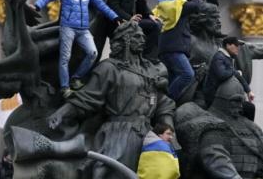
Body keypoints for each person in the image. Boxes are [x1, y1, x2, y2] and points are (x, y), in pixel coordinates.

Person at [48, 22, 176, 178]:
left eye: (143, 37)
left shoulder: (150, 69)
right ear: (125, 40)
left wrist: (167, 126)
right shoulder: (109, 68)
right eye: (136, 37)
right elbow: (88, 97)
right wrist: (62, 113)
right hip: (119, 135)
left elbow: (163, 102)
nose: (142, 40)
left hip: (148, 134)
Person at [31, 0, 120, 98]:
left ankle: (76, 78)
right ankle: (65, 87)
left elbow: (101, 5)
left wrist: (115, 17)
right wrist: (36, 6)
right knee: (65, 57)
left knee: (93, 53)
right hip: (68, 28)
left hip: (83, 29)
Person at [152, 0, 204, 101]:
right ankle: (167, 101)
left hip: (164, 49)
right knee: (187, 74)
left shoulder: (162, 6)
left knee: (173, 78)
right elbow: (195, 6)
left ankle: (164, 102)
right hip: (175, 48)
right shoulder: (175, 6)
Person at [202, 36, 254, 109]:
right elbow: (222, 74)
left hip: (223, 95)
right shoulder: (219, 56)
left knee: (249, 108)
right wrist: (235, 72)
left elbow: (237, 76)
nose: (238, 48)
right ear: (228, 45)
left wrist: (249, 91)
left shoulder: (227, 57)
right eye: (236, 45)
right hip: (214, 97)